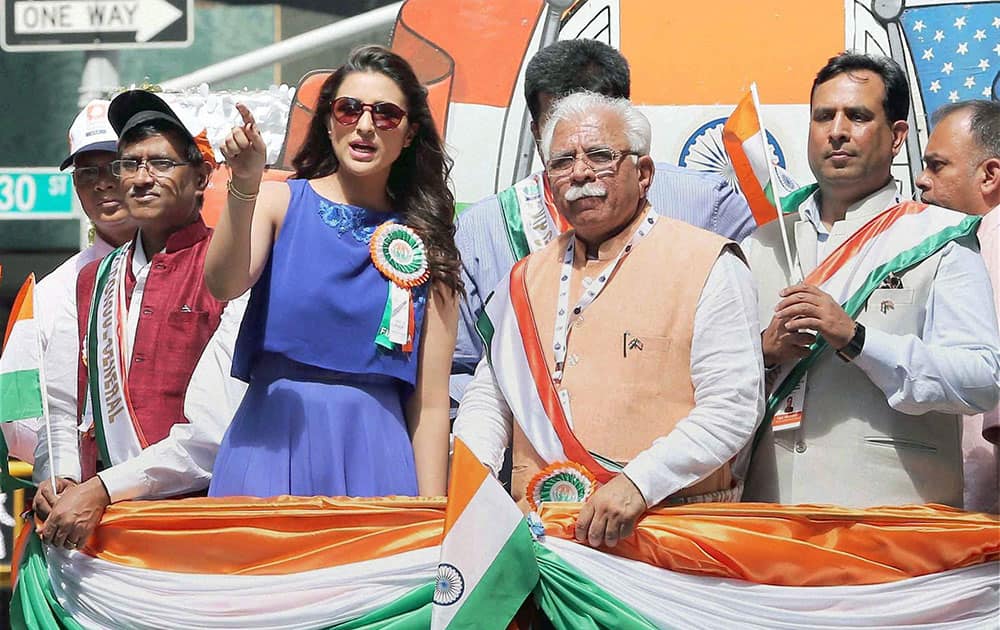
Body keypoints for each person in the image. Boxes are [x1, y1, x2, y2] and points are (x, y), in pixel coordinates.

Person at [455, 92, 763, 548]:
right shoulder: (524, 277)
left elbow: (733, 407)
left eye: (599, 156)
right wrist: (471, 473)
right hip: (537, 541)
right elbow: (490, 394)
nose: (579, 173)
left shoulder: (708, 264)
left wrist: (639, 483)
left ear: (644, 174)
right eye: (562, 162)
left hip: (663, 540)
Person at [742, 53, 1000, 508]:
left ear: (897, 136)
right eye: (824, 116)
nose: (837, 131)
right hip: (768, 520)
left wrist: (857, 339)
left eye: (858, 116)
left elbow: (982, 379)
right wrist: (764, 353)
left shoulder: (938, 236)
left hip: (892, 526)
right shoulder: (759, 245)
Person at [204, 45, 457, 498]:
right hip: (270, 447)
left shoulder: (426, 243)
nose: (364, 125)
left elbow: (432, 404)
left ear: (410, 132)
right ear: (327, 120)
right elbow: (223, 283)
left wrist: (431, 515)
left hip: (377, 457)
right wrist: (244, 187)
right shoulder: (279, 203)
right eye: (349, 109)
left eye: (386, 115)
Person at [451, 39, 756, 403]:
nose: (578, 132)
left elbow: (747, 340)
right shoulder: (482, 230)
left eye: (598, 144)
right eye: (558, 121)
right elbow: (463, 370)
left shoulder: (707, 203)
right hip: (529, 453)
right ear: (535, 132)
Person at [33, 90, 248, 550]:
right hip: (104, 541)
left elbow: (216, 431)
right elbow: (63, 405)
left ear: (201, 178)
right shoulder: (91, 279)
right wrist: (61, 478)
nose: (140, 179)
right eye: (128, 164)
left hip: (201, 526)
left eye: (161, 164)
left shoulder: (230, 267)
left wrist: (104, 489)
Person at [3, 100, 137, 475]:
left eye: (115, 165)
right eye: (85, 173)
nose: (102, 183)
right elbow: (13, 414)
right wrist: (73, 462)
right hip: (81, 504)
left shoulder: (194, 269)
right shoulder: (49, 295)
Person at [916, 99, 1000, 513]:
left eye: (937, 166)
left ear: (989, 175)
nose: (921, 180)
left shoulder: (991, 247)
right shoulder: (961, 244)